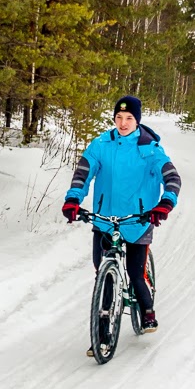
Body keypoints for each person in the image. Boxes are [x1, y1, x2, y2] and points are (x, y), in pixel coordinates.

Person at [61, 95, 181, 356]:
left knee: (135, 274)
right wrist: (73, 199)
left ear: (137, 120)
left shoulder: (150, 149)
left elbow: (172, 178)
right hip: (105, 220)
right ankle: (101, 335)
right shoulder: (100, 144)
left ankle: (147, 310)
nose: (123, 123)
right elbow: (83, 173)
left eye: (129, 118)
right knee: (101, 275)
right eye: (118, 118)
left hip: (139, 221)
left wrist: (165, 204)